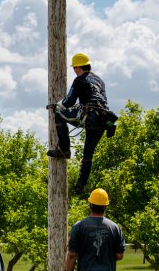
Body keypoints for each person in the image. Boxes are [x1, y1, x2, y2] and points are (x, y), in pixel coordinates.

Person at [47, 53, 111, 195]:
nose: (74, 71)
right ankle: (80, 186)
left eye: (74, 68)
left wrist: (57, 106)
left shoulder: (80, 79)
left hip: (90, 115)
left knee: (58, 116)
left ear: (78, 67)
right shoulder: (100, 81)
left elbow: (69, 101)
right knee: (89, 153)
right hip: (102, 120)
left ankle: (64, 149)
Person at [65, 188, 125, 271]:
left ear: (90, 205)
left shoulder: (79, 226)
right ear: (106, 207)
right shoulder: (115, 228)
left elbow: (71, 255)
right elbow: (120, 255)